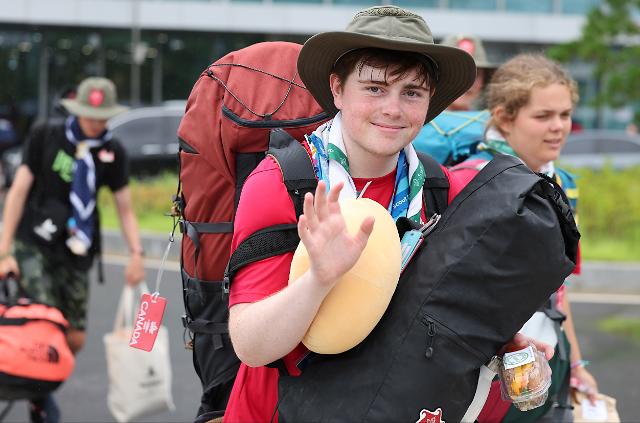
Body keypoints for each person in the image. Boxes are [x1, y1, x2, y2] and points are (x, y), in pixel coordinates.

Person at [223, 7, 554, 423]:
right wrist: (320, 279)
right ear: (337, 90)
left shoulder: (439, 188)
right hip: (276, 411)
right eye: (375, 89)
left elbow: (443, 305)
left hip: (382, 407)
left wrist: (499, 340)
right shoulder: (285, 183)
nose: (394, 109)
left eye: (412, 92)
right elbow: (251, 346)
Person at [450, 53, 599, 422]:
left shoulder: (562, 185)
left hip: (550, 356)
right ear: (504, 117)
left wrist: (576, 365)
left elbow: (559, 292)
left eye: (564, 115)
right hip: (489, 364)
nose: (558, 127)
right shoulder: (469, 180)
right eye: (543, 116)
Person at [0, 77, 145, 423]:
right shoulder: (46, 137)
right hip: (34, 243)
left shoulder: (113, 152)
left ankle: (40, 384)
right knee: (43, 323)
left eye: (102, 117)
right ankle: (40, 397)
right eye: (89, 115)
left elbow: (124, 208)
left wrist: (136, 253)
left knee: (74, 336)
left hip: (78, 251)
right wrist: (4, 251)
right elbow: (18, 192)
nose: (96, 123)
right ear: (76, 110)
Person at [412, 34, 497, 165]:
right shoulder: (411, 117)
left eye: (475, 74)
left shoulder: (496, 123)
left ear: (484, 81)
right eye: (456, 74)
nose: (466, 83)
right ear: (436, 78)